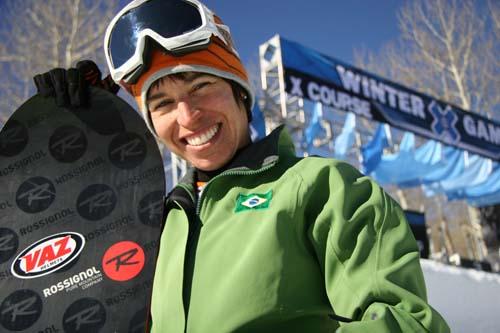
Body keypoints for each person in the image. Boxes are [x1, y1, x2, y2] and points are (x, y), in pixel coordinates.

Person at [34, 0, 450, 332]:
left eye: (202, 87)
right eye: (162, 104)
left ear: (240, 94)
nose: (188, 116)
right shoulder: (155, 225)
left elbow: (404, 321)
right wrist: (83, 144)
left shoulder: (322, 188)